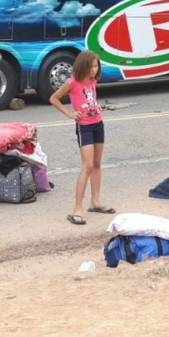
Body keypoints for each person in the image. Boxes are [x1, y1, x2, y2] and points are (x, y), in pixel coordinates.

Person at [50, 50, 114, 225]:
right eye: (91, 66)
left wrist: (97, 107)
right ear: (82, 66)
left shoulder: (93, 81)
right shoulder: (72, 83)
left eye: (96, 66)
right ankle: (77, 209)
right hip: (84, 127)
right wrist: (70, 113)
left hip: (98, 124)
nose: (94, 69)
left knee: (97, 163)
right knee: (87, 166)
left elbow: (90, 99)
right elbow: (54, 99)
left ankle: (95, 202)